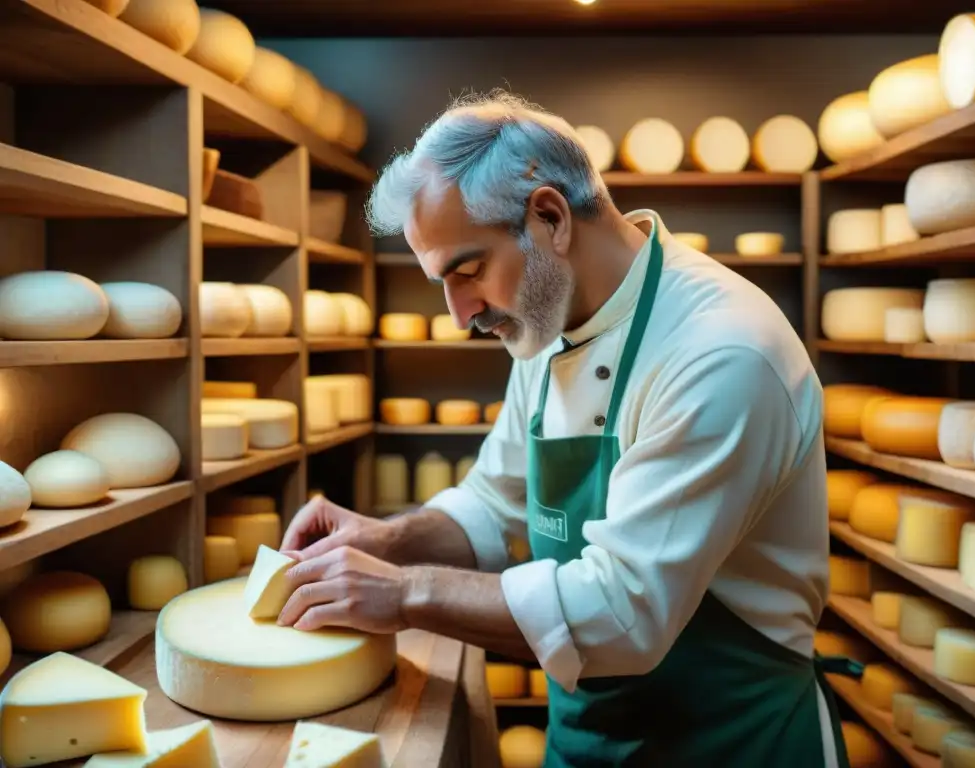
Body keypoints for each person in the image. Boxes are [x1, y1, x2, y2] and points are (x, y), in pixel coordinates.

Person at [277, 90, 857, 766]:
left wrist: (405, 592)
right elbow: (497, 503)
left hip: (731, 740)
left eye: (466, 271)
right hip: (588, 741)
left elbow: (625, 611)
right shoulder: (549, 326)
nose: (459, 313)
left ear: (549, 217)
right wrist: (389, 540)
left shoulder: (722, 352)